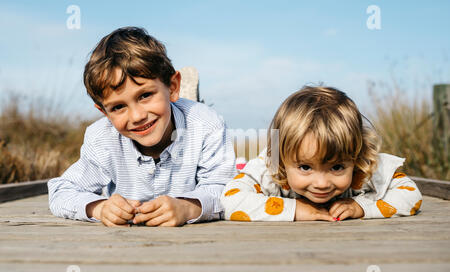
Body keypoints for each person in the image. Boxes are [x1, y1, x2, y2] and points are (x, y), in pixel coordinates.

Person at [48, 27, 236, 227]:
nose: (137, 116)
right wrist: (100, 208)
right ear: (104, 113)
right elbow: (61, 191)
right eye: (118, 107)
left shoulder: (206, 124)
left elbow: (224, 188)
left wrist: (187, 208)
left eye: (145, 95)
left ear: (172, 87)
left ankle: (189, 98)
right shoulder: (101, 137)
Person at [220, 86, 422, 222]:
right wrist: (294, 209)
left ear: (356, 155)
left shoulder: (364, 167)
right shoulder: (271, 168)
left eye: (337, 167)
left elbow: (411, 194)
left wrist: (361, 207)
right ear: (281, 158)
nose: (322, 183)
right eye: (305, 167)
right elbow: (229, 201)